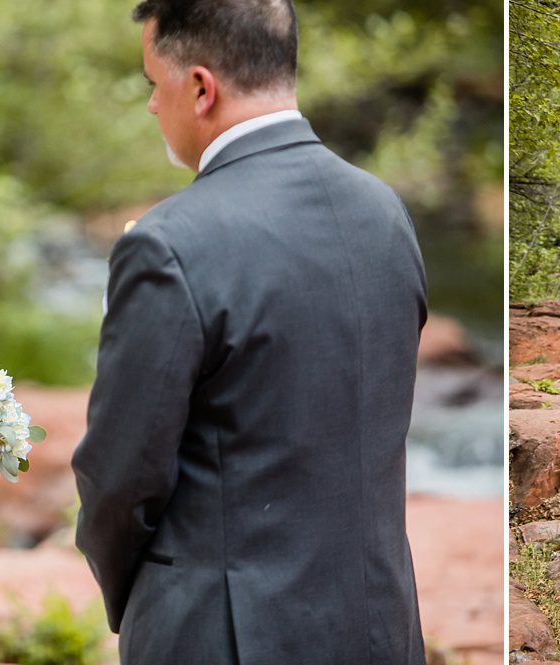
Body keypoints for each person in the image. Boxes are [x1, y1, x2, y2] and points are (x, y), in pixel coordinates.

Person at [71, 1, 429, 662]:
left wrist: (144, 595)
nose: (153, 105)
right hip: (380, 623)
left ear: (202, 87)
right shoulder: (387, 213)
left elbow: (120, 476)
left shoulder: (169, 243)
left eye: (155, 83)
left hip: (224, 634)